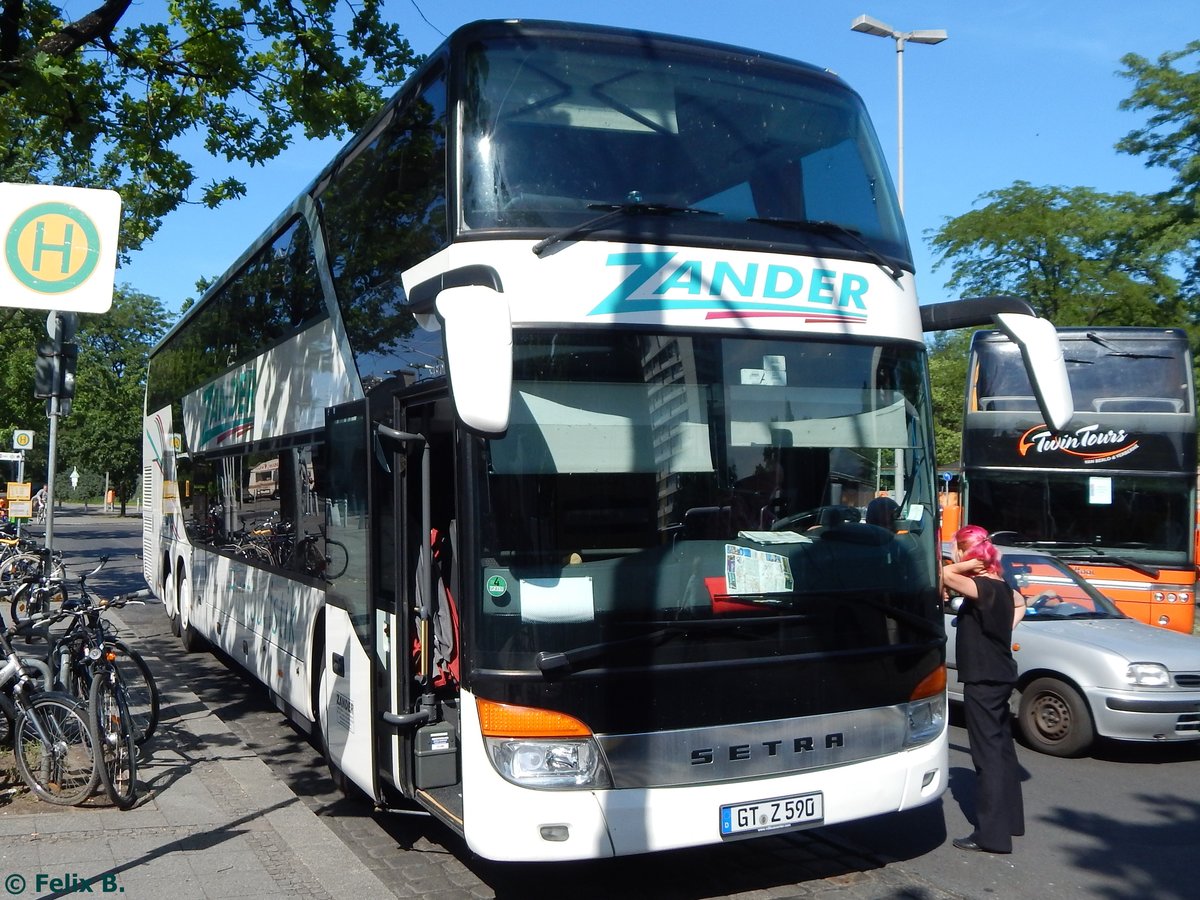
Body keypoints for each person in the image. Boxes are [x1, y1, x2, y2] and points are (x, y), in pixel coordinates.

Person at [942, 524, 1025, 854]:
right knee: (1003, 749)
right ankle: (1012, 822)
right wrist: (1005, 630)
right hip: (1000, 675)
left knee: (986, 756)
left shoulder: (981, 587)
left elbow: (945, 575)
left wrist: (963, 563)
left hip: (983, 679)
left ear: (965, 551)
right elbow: (1021, 603)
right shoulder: (1001, 586)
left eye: (957, 549)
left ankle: (991, 835)